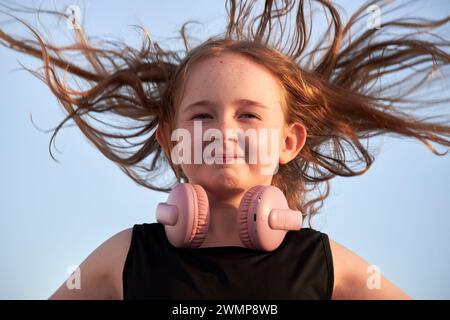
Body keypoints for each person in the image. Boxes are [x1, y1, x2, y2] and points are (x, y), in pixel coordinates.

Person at [2, 0, 449, 299]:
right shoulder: (125, 257)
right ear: (171, 141)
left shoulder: (323, 263)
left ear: (288, 143)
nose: (225, 131)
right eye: (201, 116)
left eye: (249, 116)